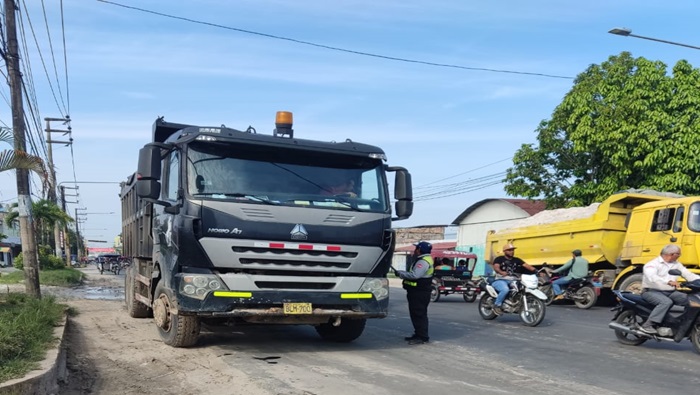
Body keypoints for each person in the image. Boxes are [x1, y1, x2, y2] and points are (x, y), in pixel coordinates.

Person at [638, 244, 700, 334]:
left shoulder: (676, 264)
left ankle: (681, 322)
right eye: (678, 254)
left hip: (670, 292)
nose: (679, 256)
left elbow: (688, 274)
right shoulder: (652, 264)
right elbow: (652, 277)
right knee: (666, 302)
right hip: (651, 291)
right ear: (671, 254)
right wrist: (668, 281)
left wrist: (698, 280)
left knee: (691, 300)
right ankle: (648, 325)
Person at [396, 241, 434, 345]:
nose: (415, 250)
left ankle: (422, 337)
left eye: (416, 248)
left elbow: (415, 275)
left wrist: (401, 274)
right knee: (417, 314)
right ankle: (418, 334)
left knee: (419, 314)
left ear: (419, 250)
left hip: (419, 293)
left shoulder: (423, 261)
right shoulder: (425, 259)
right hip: (418, 292)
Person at [491, 243, 536, 315]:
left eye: (512, 250)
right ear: (504, 251)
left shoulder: (517, 260)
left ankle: (515, 303)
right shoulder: (499, 259)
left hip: (514, 280)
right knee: (505, 289)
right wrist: (501, 272)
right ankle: (497, 305)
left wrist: (536, 271)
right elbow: (496, 267)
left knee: (522, 289)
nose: (511, 251)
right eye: (509, 250)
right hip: (501, 280)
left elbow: (527, 266)